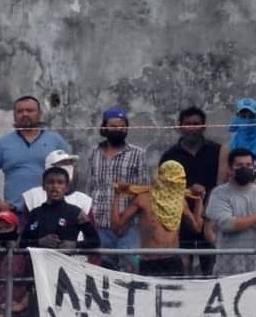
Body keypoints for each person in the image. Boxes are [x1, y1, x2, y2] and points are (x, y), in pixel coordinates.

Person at [20, 166, 100, 317]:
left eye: (59, 183)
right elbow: (21, 244)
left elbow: (95, 242)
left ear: (66, 187)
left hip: (66, 278)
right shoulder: (36, 214)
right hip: (40, 276)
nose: (55, 186)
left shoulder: (75, 213)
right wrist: (39, 242)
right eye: (51, 182)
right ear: (44, 186)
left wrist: (75, 245)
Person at [112, 160, 205, 278]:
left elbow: (197, 228)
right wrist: (117, 195)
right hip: (150, 262)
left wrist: (199, 200)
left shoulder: (180, 202)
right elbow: (117, 226)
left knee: (174, 296)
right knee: (147, 296)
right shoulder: (143, 199)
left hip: (173, 261)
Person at [0, 95, 70, 213]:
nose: (25, 114)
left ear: (39, 113)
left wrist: (63, 200)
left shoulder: (55, 140)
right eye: (20, 111)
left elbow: (71, 171)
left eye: (30, 110)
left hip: (50, 212)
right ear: (14, 116)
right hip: (16, 213)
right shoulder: (4, 143)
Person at [159, 105, 221, 275]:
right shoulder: (170, 156)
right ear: (180, 127)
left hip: (211, 218)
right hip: (181, 220)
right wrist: (187, 191)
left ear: (204, 127)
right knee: (182, 268)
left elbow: (223, 183)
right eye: (188, 124)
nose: (192, 128)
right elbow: (164, 190)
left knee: (211, 267)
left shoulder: (217, 151)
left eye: (196, 124)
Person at [86, 107, 147, 269]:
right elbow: (90, 188)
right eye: (113, 126)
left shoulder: (137, 154)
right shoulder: (94, 153)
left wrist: (127, 220)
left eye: (121, 126)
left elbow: (143, 191)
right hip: (99, 224)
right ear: (104, 128)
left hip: (128, 226)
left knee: (129, 271)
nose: (118, 129)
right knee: (101, 271)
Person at [205, 148, 256, 276]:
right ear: (230, 169)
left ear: (254, 167)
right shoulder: (219, 194)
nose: (244, 168)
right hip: (228, 268)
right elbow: (227, 224)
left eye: (248, 165)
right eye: (239, 165)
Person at [22, 150, 92, 215]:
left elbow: (90, 226)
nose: (69, 166)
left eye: (70, 163)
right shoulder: (32, 196)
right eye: (63, 163)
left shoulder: (84, 200)